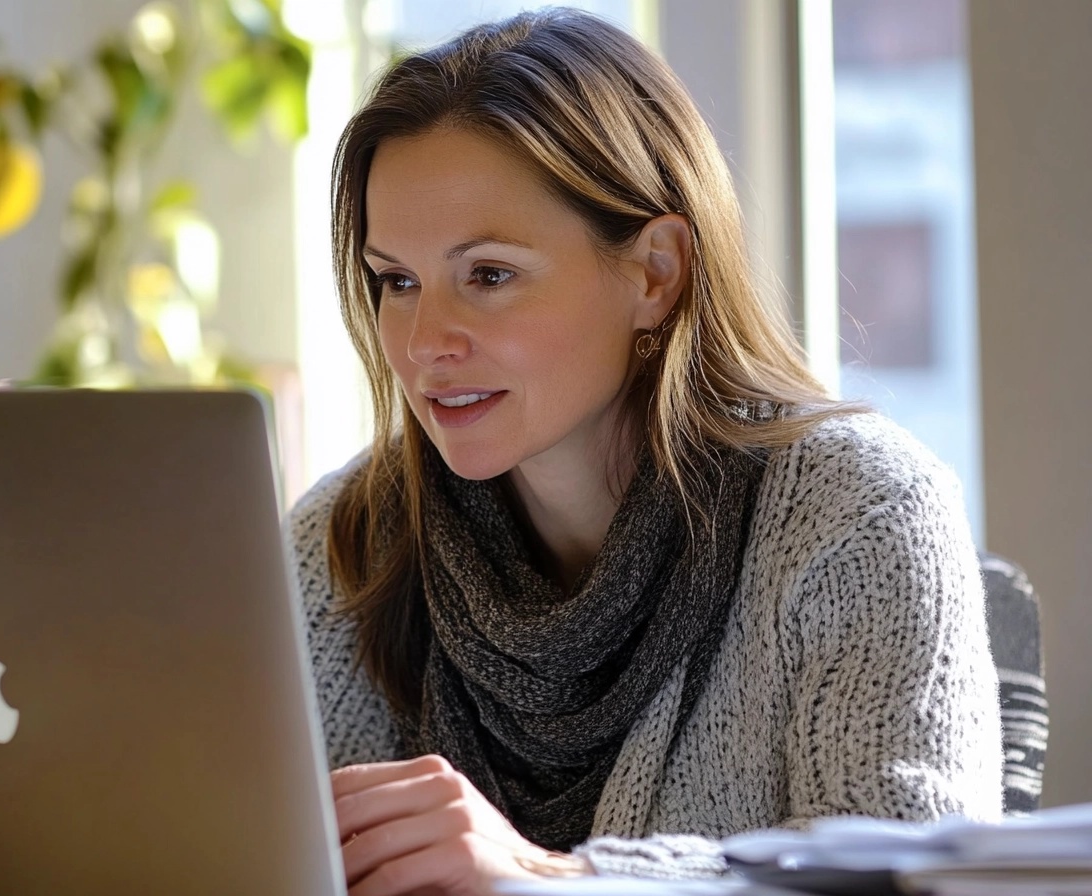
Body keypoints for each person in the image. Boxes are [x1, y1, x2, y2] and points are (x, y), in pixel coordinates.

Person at [289, 7, 1002, 893]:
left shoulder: (859, 518)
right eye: (396, 280)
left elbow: (916, 880)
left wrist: (558, 878)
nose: (426, 340)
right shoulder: (343, 539)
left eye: (489, 275)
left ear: (655, 273)